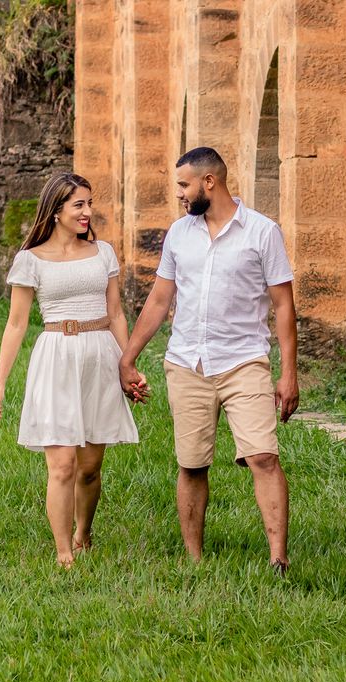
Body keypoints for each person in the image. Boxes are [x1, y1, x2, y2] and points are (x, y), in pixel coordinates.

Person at [118, 147, 298, 573]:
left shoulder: (262, 232)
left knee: (263, 457)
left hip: (244, 362)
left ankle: (278, 558)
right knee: (192, 463)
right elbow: (160, 299)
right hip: (187, 365)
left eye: (184, 185)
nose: (180, 194)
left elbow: (284, 306)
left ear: (209, 182)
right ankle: (194, 560)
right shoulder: (179, 234)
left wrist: (289, 374)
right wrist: (128, 358)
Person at [0, 173, 145, 568]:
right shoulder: (30, 260)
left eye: (89, 204)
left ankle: (83, 534)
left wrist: (127, 364)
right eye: (79, 205)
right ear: (56, 210)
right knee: (62, 466)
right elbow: (16, 324)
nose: (88, 212)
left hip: (99, 356)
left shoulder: (103, 253)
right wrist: (0, 383)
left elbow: (115, 313)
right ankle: (63, 555)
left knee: (89, 469)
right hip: (56, 357)